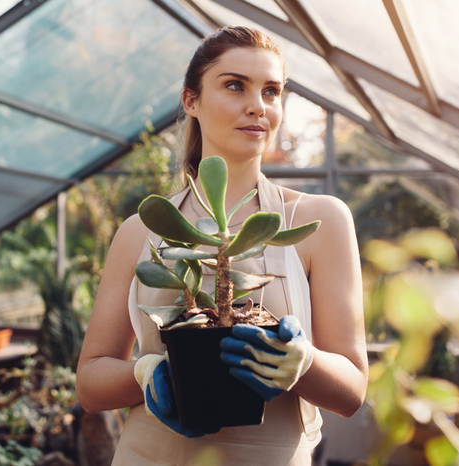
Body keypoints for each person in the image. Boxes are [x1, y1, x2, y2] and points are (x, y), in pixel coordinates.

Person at [76, 26, 368, 465]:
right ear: (191, 100)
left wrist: (302, 363)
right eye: (235, 85)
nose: (258, 106)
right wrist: (148, 371)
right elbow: (90, 382)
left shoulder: (317, 221)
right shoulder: (142, 230)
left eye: (272, 91)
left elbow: (352, 391)